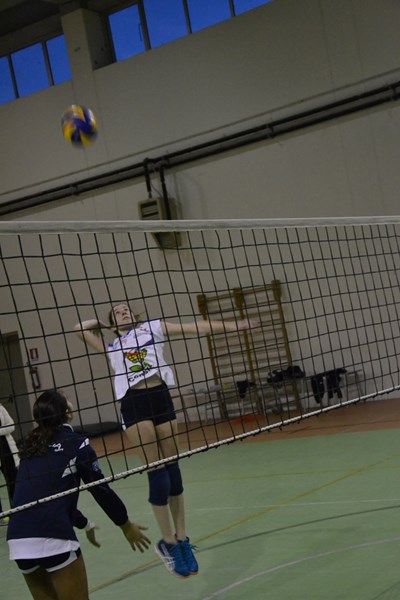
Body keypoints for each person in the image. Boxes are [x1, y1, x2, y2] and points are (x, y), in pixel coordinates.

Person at [75, 303, 258, 578]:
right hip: (134, 403)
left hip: (161, 397)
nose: (123, 312)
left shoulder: (152, 328)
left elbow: (195, 327)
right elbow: (79, 328)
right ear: (112, 322)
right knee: (157, 472)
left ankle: (182, 539)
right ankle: (168, 542)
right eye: (117, 312)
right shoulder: (112, 347)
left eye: (126, 309)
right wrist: (106, 325)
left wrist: (235, 325)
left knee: (174, 472)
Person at [7, 389, 151, 600]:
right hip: (53, 536)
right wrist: (126, 525)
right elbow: (101, 490)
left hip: (19, 541)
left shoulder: (29, 448)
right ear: (68, 412)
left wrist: (85, 524)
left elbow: (44, 498)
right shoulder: (77, 445)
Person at [0, 402, 19, 503]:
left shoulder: (0, 407)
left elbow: (11, 425)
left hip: (6, 449)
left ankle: (16, 507)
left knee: (13, 481)